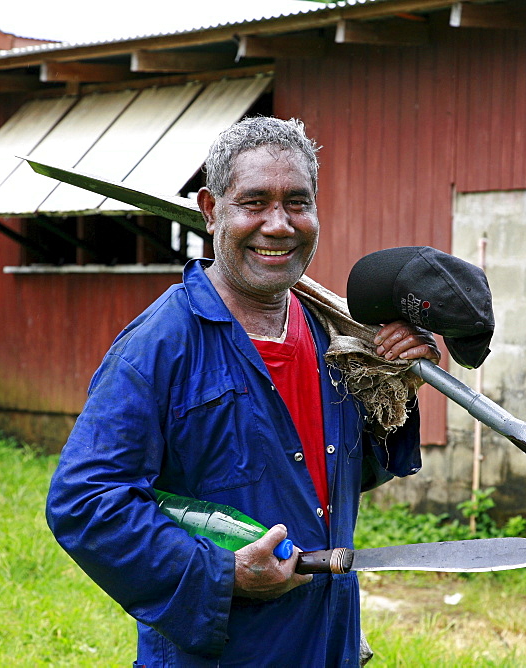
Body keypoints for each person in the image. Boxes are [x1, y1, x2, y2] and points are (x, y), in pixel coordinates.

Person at [45, 117, 440, 667]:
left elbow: (336, 480)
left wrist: (395, 387)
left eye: (297, 203)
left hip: (325, 642)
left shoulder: (331, 336)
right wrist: (223, 573)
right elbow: (85, 503)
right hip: (225, 651)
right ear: (211, 210)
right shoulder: (160, 346)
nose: (278, 225)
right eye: (254, 202)